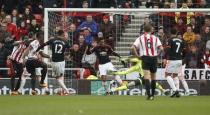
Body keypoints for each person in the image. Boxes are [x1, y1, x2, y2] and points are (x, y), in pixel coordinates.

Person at [131, 24, 163, 100]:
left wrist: (137, 56)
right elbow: (161, 48)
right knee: (153, 77)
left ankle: (149, 95)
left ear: (144, 30)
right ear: (151, 30)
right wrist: (157, 55)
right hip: (154, 58)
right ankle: (153, 95)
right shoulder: (155, 38)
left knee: (146, 77)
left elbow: (132, 47)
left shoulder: (140, 38)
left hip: (145, 58)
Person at [36, 30, 70, 95]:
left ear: (57, 34)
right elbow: (69, 50)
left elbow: (43, 44)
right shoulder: (65, 42)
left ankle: (66, 91)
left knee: (57, 78)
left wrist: (37, 50)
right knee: (61, 76)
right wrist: (66, 56)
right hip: (62, 61)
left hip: (55, 61)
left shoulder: (53, 40)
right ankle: (62, 91)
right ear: (62, 34)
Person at [164, 28, 186, 98]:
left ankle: (175, 90)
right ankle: (177, 91)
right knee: (175, 76)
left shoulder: (170, 40)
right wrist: (182, 57)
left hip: (172, 60)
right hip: (179, 60)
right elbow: (185, 51)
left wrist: (165, 58)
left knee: (167, 75)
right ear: (176, 33)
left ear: (170, 33)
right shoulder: (181, 41)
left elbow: (167, 49)